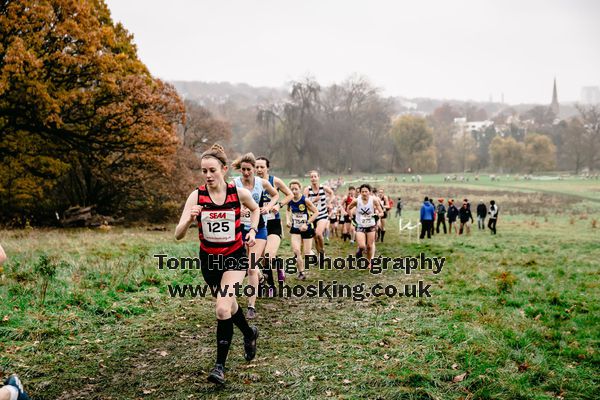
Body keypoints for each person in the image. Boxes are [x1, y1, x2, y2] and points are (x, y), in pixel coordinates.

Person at [175, 144, 259, 385]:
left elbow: (255, 210)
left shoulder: (238, 193)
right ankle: (249, 333)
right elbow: (177, 234)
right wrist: (190, 219)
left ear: (223, 169)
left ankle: (219, 367)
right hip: (209, 261)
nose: (208, 175)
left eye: (212, 170)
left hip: (234, 257)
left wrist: (252, 231)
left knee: (222, 309)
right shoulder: (197, 196)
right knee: (230, 305)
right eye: (204, 171)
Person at [232, 153, 279, 316]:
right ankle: (260, 277)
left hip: (258, 228)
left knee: (251, 267)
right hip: (239, 229)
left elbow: (276, 195)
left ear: (253, 169)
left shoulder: (261, 183)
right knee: (243, 266)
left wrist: (268, 207)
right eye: (243, 170)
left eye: (249, 170)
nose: (246, 173)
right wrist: (237, 209)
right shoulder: (234, 184)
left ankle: (251, 306)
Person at [255, 157, 292, 285]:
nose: (259, 170)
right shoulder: (252, 183)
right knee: (262, 258)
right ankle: (270, 285)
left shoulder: (274, 181)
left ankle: (277, 270)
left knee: (268, 255)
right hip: (259, 224)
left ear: (267, 168)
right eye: (257, 167)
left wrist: (279, 205)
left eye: (262, 167)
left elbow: (290, 194)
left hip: (273, 224)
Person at [282, 180, 319, 280]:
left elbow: (316, 212)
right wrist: (288, 220)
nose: (294, 191)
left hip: (307, 229)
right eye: (292, 189)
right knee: (297, 251)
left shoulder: (305, 200)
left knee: (307, 253)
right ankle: (301, 273)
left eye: (296, 189)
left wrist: (306, 224)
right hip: (295, 228)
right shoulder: (289, 200)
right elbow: (288, 210)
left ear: (300, 189)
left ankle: (313, 256)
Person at [346, 184, 384, 267]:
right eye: (362, 192)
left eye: (366, 191)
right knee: (362, 246)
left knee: (370, 246)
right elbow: (348, 208)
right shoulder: (356, 200)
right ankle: (359, 251)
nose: (364, 193)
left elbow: (381, 212)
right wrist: (351, 217)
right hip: (360, 225)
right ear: (360, 193)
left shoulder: (373, 200)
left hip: (371, 225)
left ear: (369, 192)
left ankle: (369, 263)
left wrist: (377, 216)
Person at [304, 171, 335, 256]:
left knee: (318, 233)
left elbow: (332, 193)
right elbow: (304, 202)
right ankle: (320, 256)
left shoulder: (323, 188)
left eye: (315, 176)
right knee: (315, 238)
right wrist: (314, 200)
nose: (313, 178)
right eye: (311, 177)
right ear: (310, 179)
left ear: (318, 177)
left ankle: (322, 251)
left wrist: (329, 202)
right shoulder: (307, 189)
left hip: (322, 215)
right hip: (312, 215)